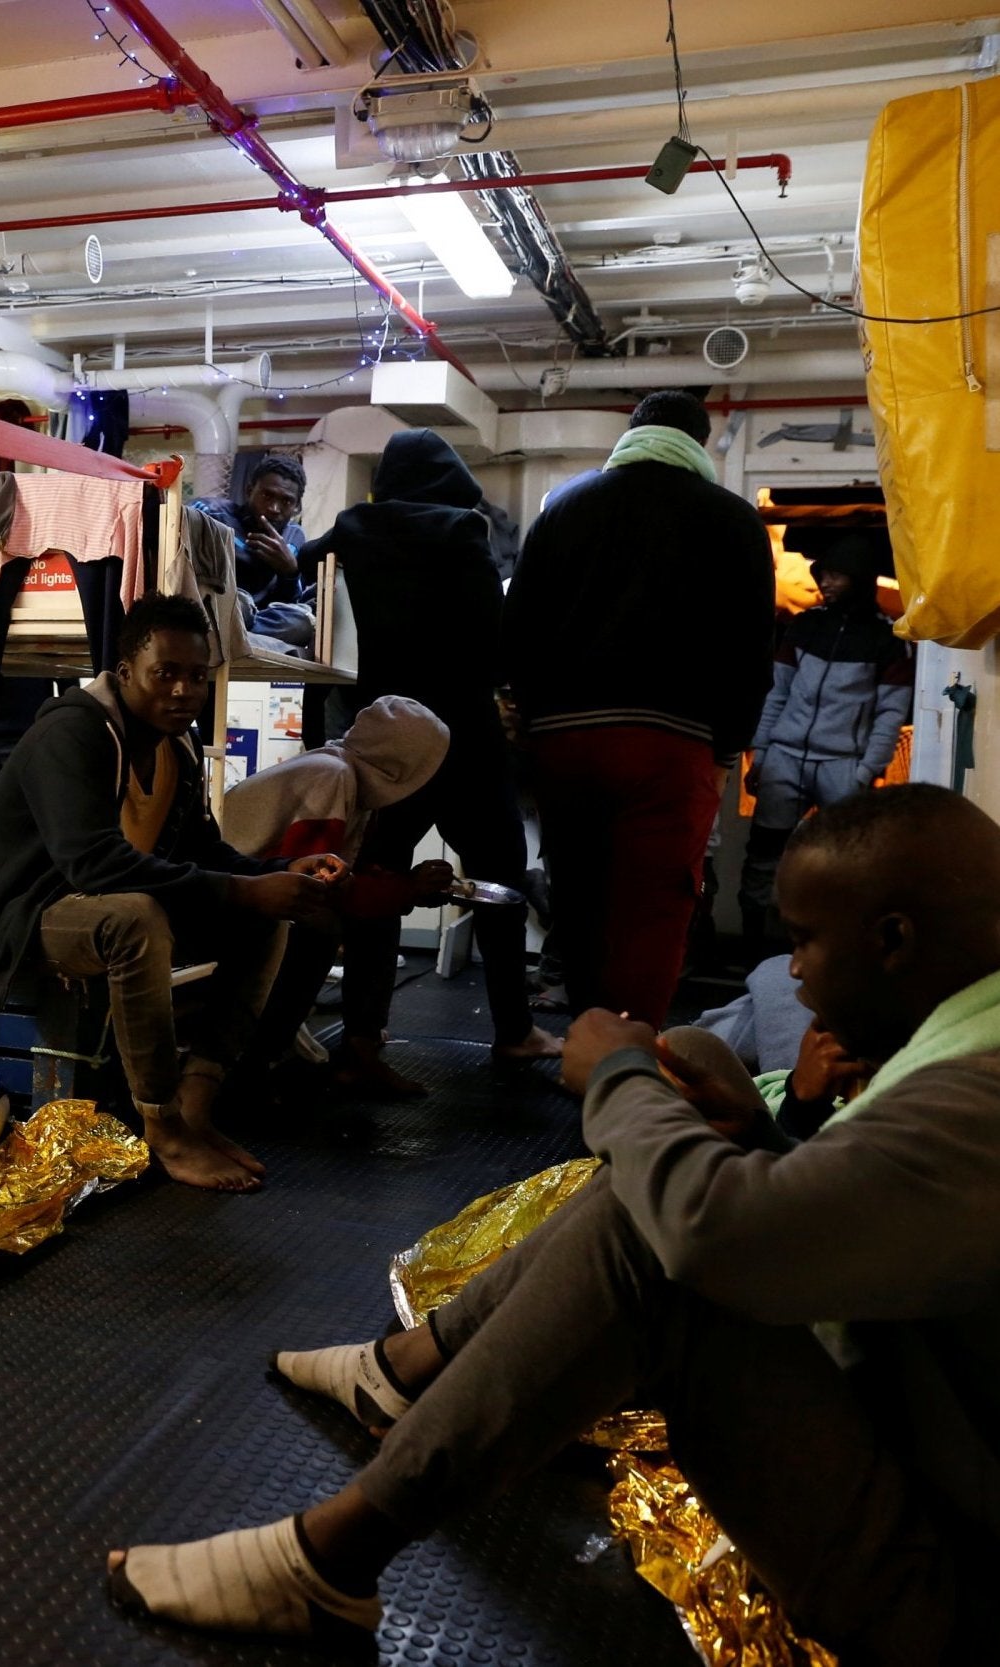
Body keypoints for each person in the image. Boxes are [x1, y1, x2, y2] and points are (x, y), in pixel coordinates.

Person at [108, 783, 1000, 1665]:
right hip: (929, 1490)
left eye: (805, 941)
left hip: (950, 1595)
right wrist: (762, 1128)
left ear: (893, 941)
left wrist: (619, 1079)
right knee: (657, 1187)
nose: (793, 971)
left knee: (652, 1243)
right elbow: (835, 1237)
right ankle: (401, 1374)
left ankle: (331, 1553)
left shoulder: (978, 1098)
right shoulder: (968, 1056)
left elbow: (718, 1235)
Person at [0, 594, 342, 1192]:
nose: (184, 690)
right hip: (26, 918)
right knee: (137, 916)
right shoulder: (73, 733)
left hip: (107, 904)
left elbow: (203, 850)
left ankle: (196, 1105)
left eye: (196, 676)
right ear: (124, 674)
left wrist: (278, 870)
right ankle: (161, 1128)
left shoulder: (176, 746)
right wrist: (242, 891)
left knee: (269, 916)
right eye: (165, 673)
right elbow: (91, 865)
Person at [503, 390, 774, 1026]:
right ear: (699, 443)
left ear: (634, 432)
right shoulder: (733, 519)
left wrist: (526, 716)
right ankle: (628, 1064)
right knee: (654, 908)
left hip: (565, 742)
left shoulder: (566, 506)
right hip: (671, 746)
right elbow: (751, 651)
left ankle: (586, 1038)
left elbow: (515, 628)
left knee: (577, 900)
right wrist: (728, 750)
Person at [302, 430, 561, 1090]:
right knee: (499, 876)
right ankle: (512, 1030)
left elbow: (304, 566)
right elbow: (494, 642)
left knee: (377, 881)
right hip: (463, 733)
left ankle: (362, 1038)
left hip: (388, 732)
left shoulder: (351, 528)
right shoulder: (460, 531)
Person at [219, 696, 452, 1074]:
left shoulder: (348, 776)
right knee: (317, 928)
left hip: (239, 883)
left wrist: (405, 890)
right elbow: (312, 887)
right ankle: (251, 1065)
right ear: (402, 767)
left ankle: (358, 1055)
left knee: (365, 916)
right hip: (227, 895)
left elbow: (339, 875)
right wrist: (407, 890)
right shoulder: (330, 775)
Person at [740, 531, 912, 944]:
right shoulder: (804, 626)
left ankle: (834, 947)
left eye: (836, 574)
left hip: (843, 764)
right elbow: (776, 692)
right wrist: (761, 754)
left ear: (860, 577)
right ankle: (754, 945)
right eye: (825, 574)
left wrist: (866, 770)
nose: (826, 582)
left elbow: (891, 713)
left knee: (846, 862)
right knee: (765, 855)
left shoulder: (887, 639)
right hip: (785, 757)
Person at [195, 453, 308, 622]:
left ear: (297, 506)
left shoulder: (294, 536)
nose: (274, 508)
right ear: (249, 491)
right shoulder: (211, 513)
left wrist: (289, 573)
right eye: (267, 495)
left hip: (259, 618)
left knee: (300, 622)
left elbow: (287, 603)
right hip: (219, 608)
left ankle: (245, 631)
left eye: (286, 501)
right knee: (239, 606)